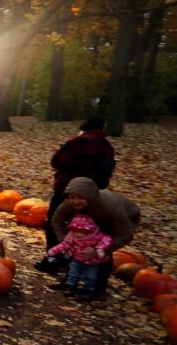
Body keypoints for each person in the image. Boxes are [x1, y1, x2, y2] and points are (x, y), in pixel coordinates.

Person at [40, 176, 140, 301]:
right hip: (90, 219)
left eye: (81, 198)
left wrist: (100, 250)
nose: (76, 201)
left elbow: (125, 234)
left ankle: (99, 289)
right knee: (78, 246)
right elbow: (57, 220)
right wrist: (67, 241)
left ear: (90, 197)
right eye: (72, 197)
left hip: (123, 218)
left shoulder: (111, 208)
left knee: (102, 254)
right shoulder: (69, 204)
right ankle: (69, 282)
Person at [45, 117, 116, 252]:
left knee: (57, 221)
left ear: (84, 128)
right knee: (84, 227)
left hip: (68, 189)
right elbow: (108, 169)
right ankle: (78, 257)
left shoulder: (77, 142)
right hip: (92, 194)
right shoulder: (107, 147)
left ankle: (55, 255)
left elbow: (57, 161)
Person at [45, 214, 113, 301]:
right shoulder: (73, 235)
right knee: (73, 274)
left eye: (80, 231)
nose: (77, 233)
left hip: (93, 262)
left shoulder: (98, 236)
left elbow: (107, 240)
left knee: (90, 277)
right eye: (75, 230)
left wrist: (100, 249)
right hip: (77, 260)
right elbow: (65, 244)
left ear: (88, 229)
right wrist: (54, 250)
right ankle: (70, 287)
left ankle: (88, 291)